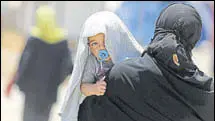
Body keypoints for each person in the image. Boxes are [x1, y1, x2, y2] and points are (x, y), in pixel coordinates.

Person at [78, 3, 214, 121]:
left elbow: (86, 113)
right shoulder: (206, 92)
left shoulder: (121, 75)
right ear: (194, 38)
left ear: (159, 27)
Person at [60, 11, 144, 121]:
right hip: (102, 110)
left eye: (105, 42)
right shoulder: (92, 62)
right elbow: (83, 87)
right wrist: (94, 88)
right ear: (89, 46)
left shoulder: (126, 57)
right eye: (95, 44)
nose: (101, 48)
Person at [6, 5, 73, 121]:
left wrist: (15, 82)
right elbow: (68, 67)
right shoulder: (62, 42)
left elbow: (24, 64)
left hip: (31, 92)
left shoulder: (34, 40)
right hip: (50, 93)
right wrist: (57, 81)